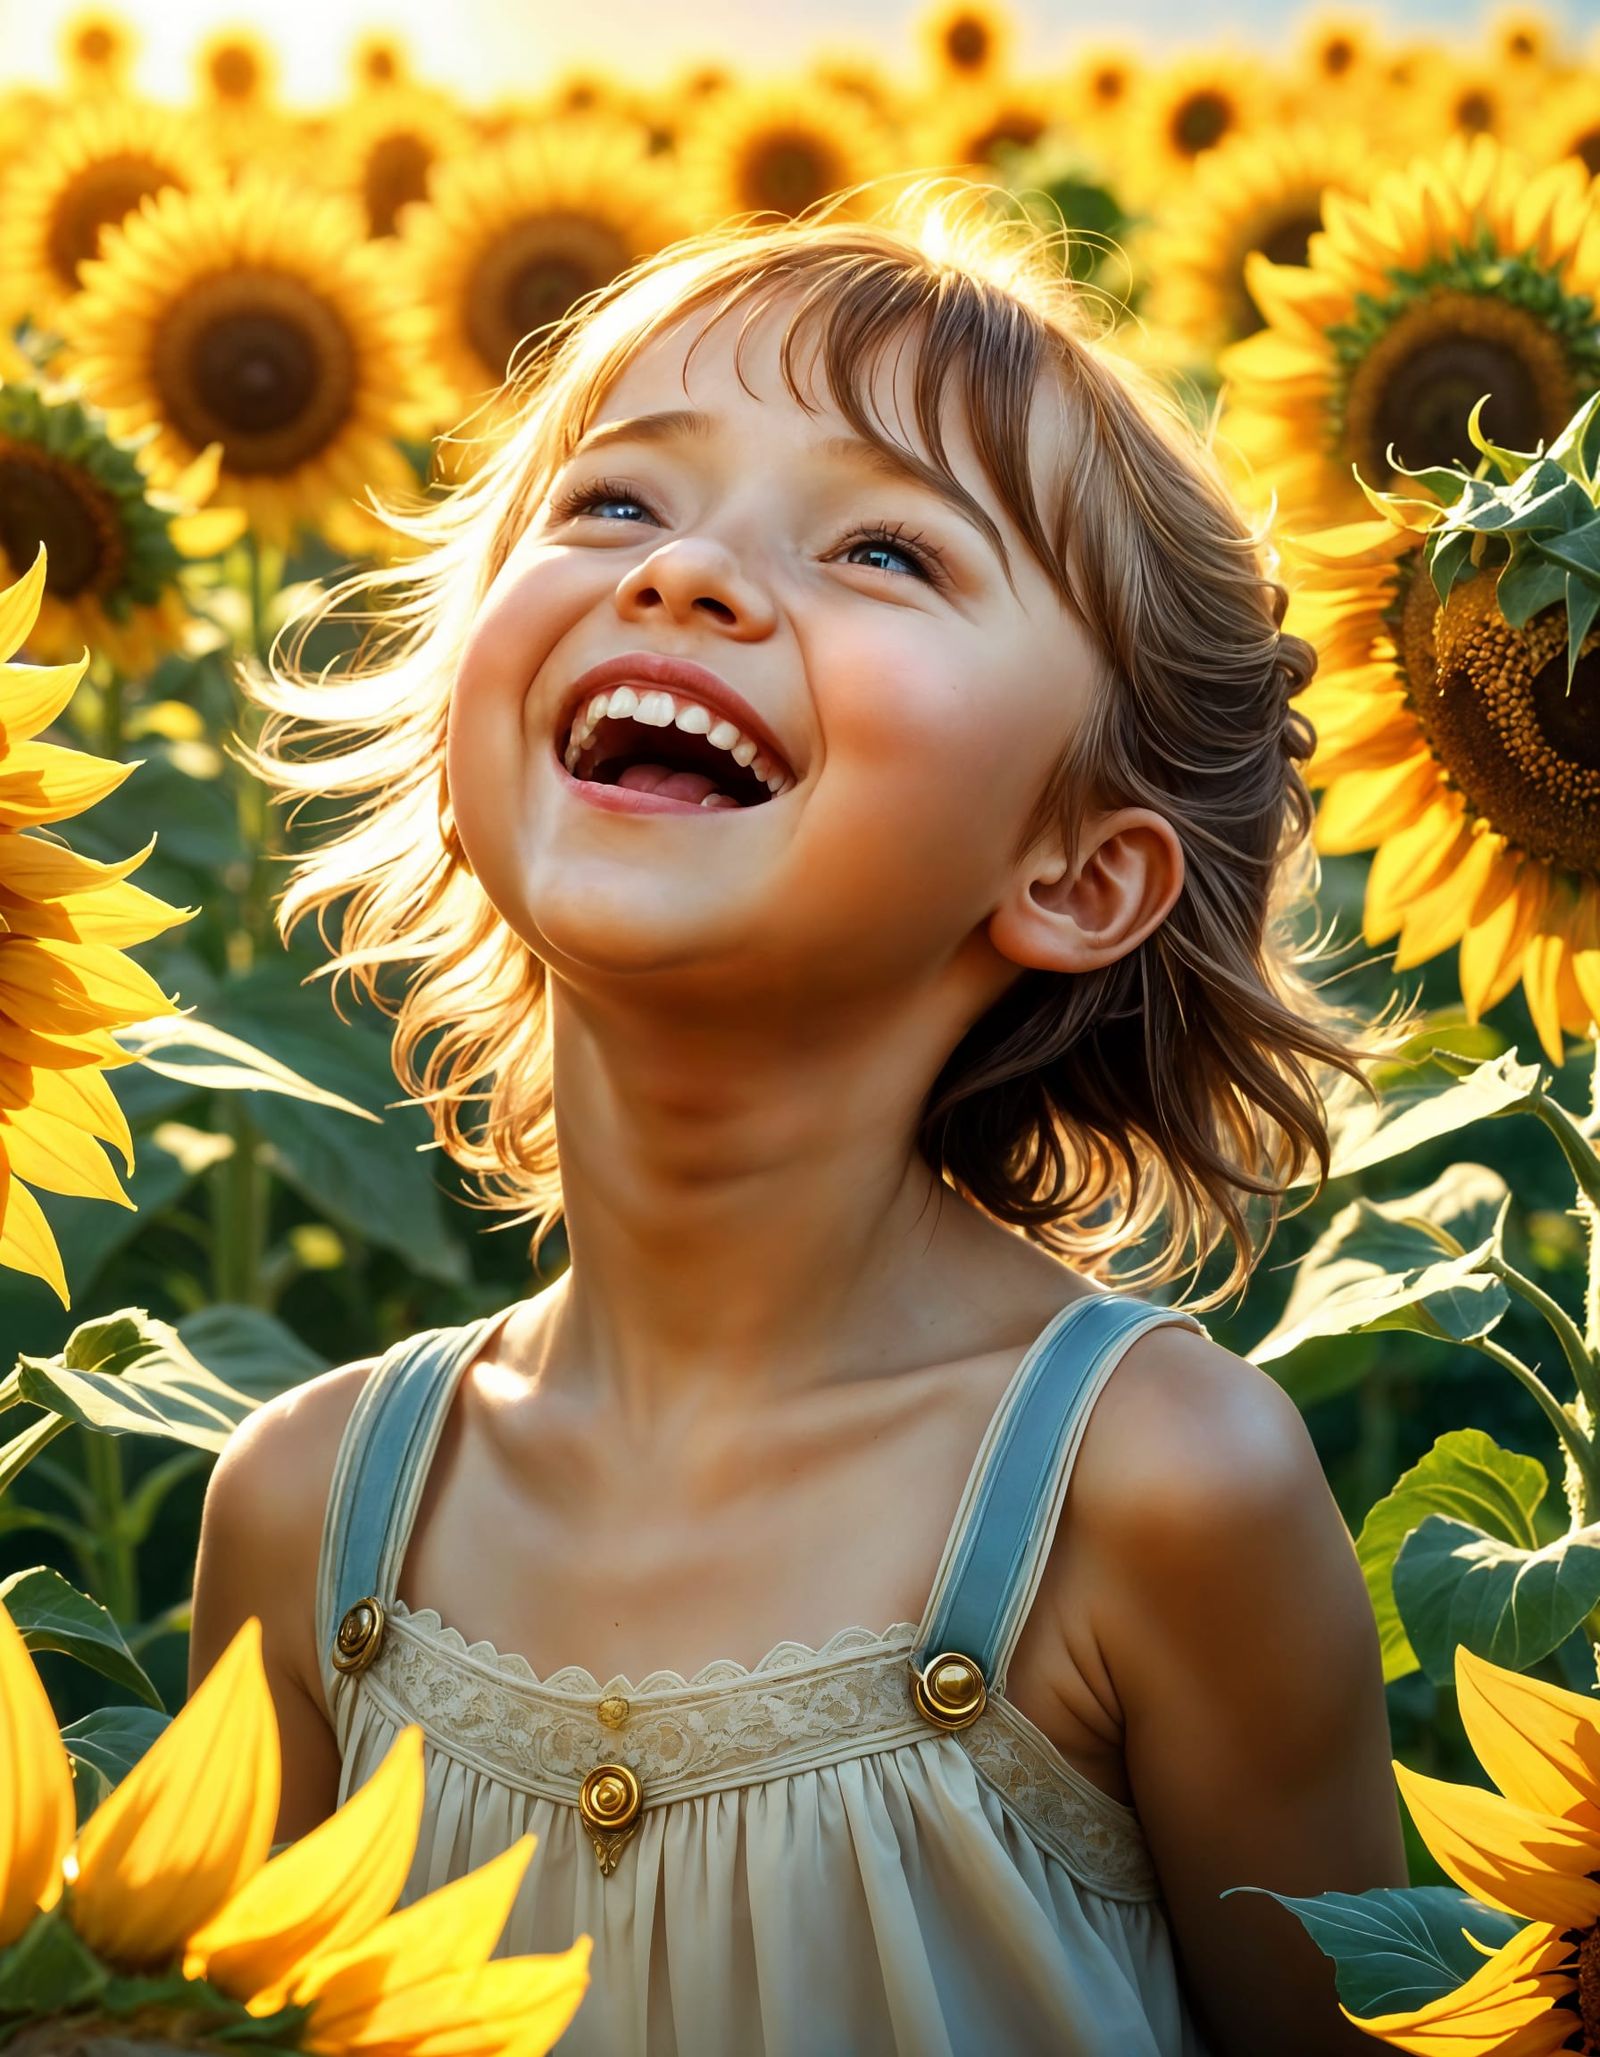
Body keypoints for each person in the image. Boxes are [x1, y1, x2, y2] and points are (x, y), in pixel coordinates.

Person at [188, 179, 1409, 2056]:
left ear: (1079, 872)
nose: (682, 574)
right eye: (614, 501)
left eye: (887, 554)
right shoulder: (308, 1515)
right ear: (464, 733)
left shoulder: (1157, 1493)